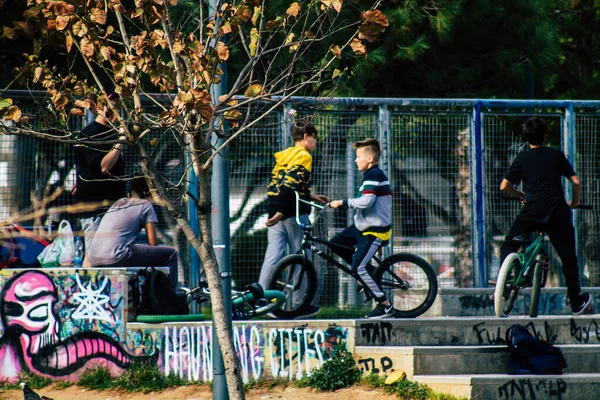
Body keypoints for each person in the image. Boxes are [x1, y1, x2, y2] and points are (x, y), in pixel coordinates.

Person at [499, 117, 591, 315]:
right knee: (568, 258)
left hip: (532, 210)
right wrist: (574, 203)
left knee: (508, 243)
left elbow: (504, 186)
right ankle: (576, 302)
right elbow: (576, 182)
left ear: (526, 137)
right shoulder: (555, 155)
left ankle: (503, 284)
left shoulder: (522, 158)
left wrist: (521, 195)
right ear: (545, 136)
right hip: (557, 210)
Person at [258, 118, 328, 318]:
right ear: (306, 137)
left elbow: (280, 186)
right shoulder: (304, 156)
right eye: (314, 138)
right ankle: (300, 304)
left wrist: (310, 195)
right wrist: (283, 211)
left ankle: (262, 299)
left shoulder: (285, 156)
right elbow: (290, 186)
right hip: (293, 213)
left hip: (274, 210)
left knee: (273, 256)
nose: (315, 143)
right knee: (302, 258)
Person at [329, 138, 395, 319]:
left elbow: (366, 202)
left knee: (358, 268)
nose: (355, 160)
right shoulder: (369, 175)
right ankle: (368, 274)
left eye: (358, 157)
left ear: (371, 158)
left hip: (375, 231)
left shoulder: (374, 175)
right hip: (363, 227)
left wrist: (342, 203)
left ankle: (385, 305)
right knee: (336, 243)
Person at [86, 177, 179, 291]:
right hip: (116, 255)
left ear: (129, 194)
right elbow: (153, 242)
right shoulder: (145, 205)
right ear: (150, 194)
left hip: (94, 257)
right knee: (171, 254)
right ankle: (170, 295)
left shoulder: (118, 203)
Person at [73, 93, 127, 265]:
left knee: (110, 257)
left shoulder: (111, 132)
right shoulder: (90, 134)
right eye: (108, 107)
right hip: (95, 209)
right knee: (95, 256)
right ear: (97, 107)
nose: (112, 112)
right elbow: (103, 167)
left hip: (112, 207)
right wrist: (120, 142)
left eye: (115, 107)